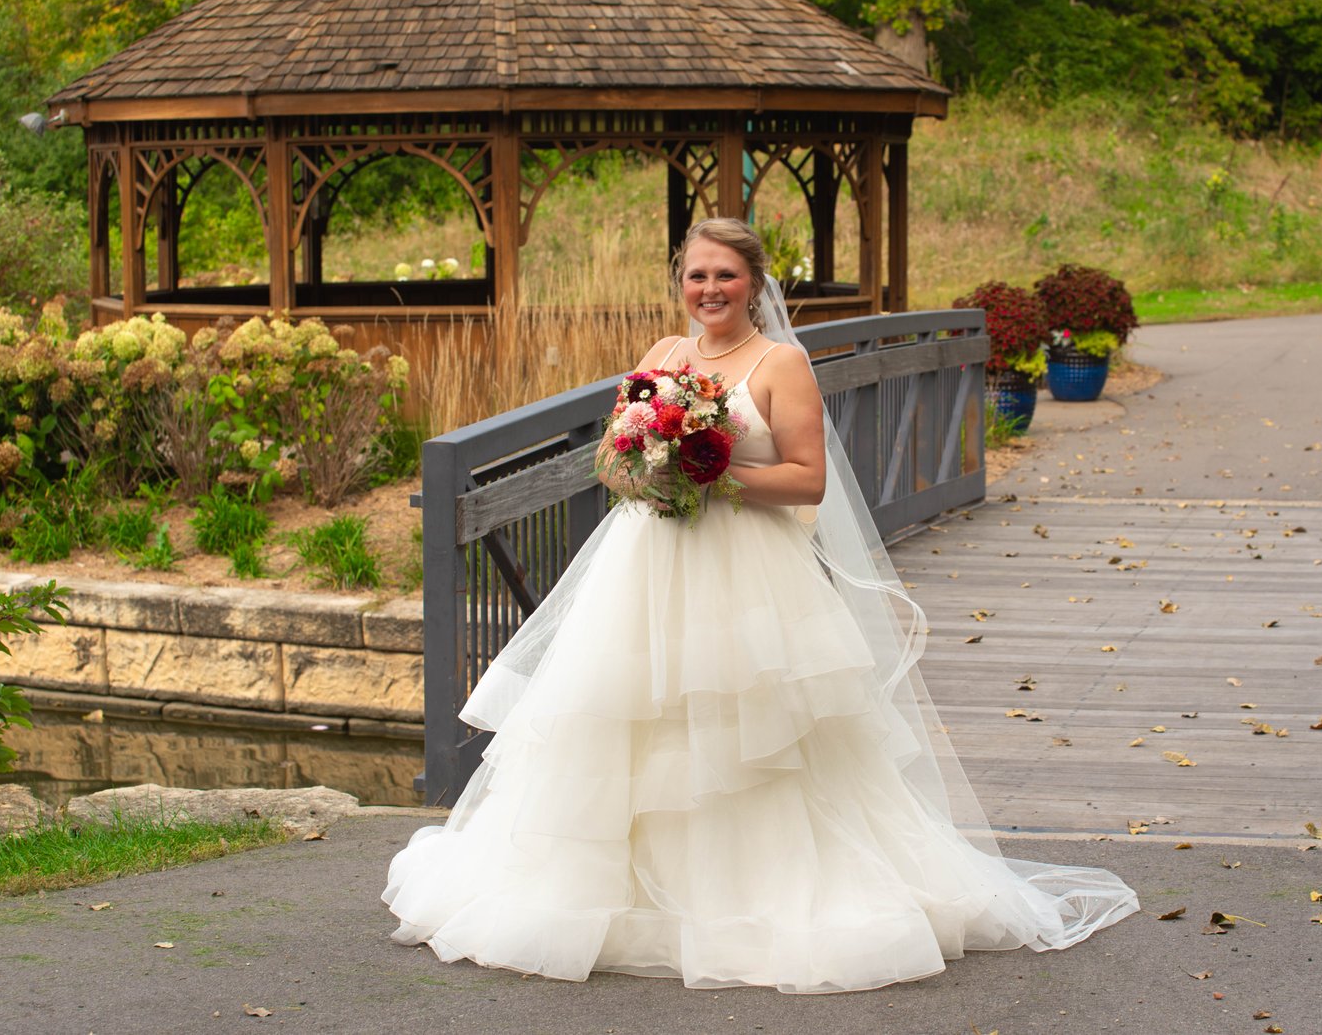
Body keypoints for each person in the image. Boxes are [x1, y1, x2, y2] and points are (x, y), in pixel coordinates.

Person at [383, 218, 1139, 994]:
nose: (709, 290)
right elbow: (612, 456)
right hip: (647, 564)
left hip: (747, 573)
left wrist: (715, 480)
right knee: (630, 722)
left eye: (726, 276)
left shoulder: (781, 365)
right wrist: (644, 467)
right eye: (696, 276)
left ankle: (757, 899)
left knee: (752, 730)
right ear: (680, 281)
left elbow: (808, 480)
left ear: (754, 283)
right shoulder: (661, 358)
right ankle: (625, 896)